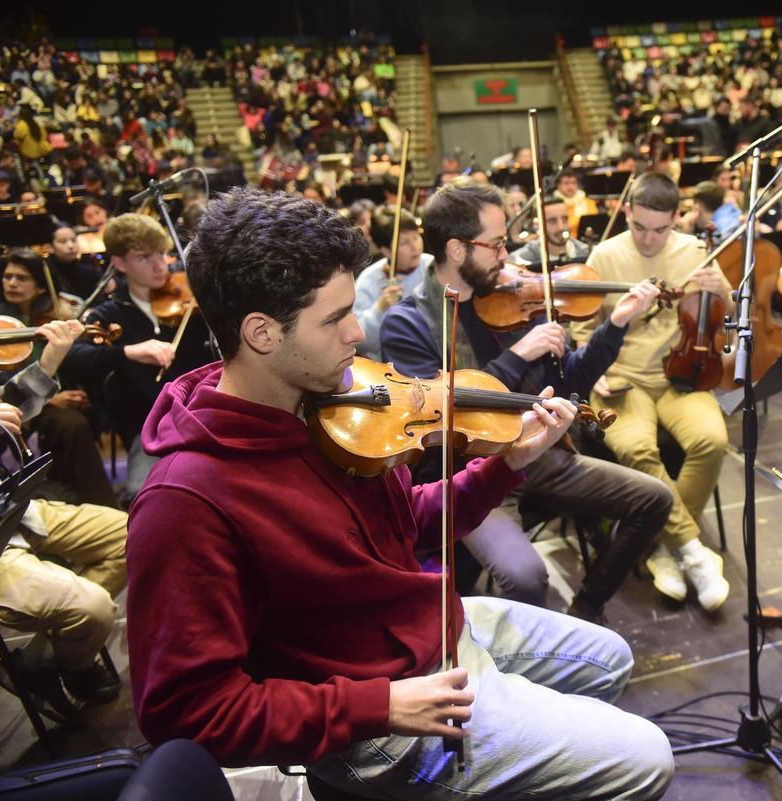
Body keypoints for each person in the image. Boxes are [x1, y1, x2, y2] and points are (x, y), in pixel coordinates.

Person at [126, 187, 674, 799]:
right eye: (334, 318)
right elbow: (186, 710)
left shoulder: (323, 406)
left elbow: (403, 522)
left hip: (424, 626)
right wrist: (376, 704)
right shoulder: (184, 502)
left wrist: (505, 465)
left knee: (612, 659)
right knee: (648, 759)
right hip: (374, 715)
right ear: (260, 332)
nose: (359, 333)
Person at [381, 179, 671, 619]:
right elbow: (443, 415)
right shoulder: (408, 324)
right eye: (496, 244)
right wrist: (518, 355)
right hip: (470, 472)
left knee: (655, 499)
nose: (507, 255)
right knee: (525, 575)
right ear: (457, 250)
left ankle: (587, 606)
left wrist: (615, 326)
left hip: (541, 454)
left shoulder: (510, 299)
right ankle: (519, 662)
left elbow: (568, 379)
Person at [572, 173, 732, 612]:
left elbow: (724, 313)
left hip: (682, 374)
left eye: (659, 230)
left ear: (676, 219)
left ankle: (667, 546)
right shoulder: (604, 255)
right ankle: (695, 553)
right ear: (627, 213)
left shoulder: (697, 251)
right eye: (639, 227)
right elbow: (581, 328)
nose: (648, 239)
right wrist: (589, 360)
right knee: (637, 447)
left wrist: (726, 293)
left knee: (712, 440)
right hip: (622, 377)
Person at [0, 317, 127, 710]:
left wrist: (51, 357)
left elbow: (9, 410)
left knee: (137, 535)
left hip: (13, 509)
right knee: (92, 609)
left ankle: (43, 658)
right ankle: (72, 656)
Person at [64, 213, 216, 502]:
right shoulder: (110, 314)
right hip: (152, 428)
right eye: (144, 258)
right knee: (141, 495)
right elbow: (73, 356)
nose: (161, 265)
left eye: (163, 253)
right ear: (120, 263)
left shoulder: (192, 298)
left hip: (207, 413)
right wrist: (127, 352)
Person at [0, 249, 119, 507]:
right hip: (30, 405)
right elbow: (4, 389)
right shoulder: (1, 318)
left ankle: (80, 497)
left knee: (82, 418)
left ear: (41, 287)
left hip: (30, 398)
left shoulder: (60, 308)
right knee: (70, 424)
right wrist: (53, 398)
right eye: (8, 277)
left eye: (21, 278)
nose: (11, 283)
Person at [352, 208, 430, 360]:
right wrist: (380, 309)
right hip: (385, 370)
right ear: (386, 251)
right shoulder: (368, 280)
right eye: (404, 243)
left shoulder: (432, 267)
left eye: (416, 237)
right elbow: (361, 344)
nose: (415, 247)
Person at [507, 194, 590, 268]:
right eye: (552, 221)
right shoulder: (518, 259)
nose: (561, 227)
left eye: (565, 219)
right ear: (537, 224)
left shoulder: (588, 253)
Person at [47, 224, 105, 302]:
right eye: (63, 241)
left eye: (73, 240)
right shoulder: (46, 272)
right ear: (50, 247)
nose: (71, 246)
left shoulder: (89, 271)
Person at [680, 180, 741, 245]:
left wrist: (686, 234)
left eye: (691, 208)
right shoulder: (734, 212)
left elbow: (705, 252)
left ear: (697, 207)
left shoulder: (719, 229)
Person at [556, 168, 599, 239]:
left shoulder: (588, 202)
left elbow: (594, 223)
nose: (570, 187)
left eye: (573, 183)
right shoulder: (552, 204)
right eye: (566, 183)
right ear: (558, 185)